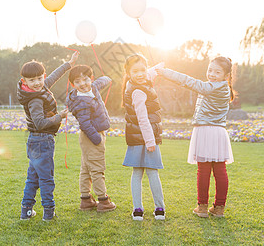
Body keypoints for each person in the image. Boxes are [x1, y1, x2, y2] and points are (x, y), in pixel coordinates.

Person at [155, 56, 234, 218]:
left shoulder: (212, 87)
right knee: (220, 170)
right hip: (219, 132)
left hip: (206, 131)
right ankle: (218, 208)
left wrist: (165, 73)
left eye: (217, 72)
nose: (212, 74)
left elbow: (189, 81)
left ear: (226, 75)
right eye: (210, 70)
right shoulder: (224, 88)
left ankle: (203, 207)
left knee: (204, 170)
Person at [17, 51, 79, 221]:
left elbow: (54, 75)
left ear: (42, 76)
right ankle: (49, 213)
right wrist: (60, 117)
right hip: (42, 140)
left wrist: (69, 63)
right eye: (32, 80)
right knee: (46, 178)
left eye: (39, 78)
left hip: (35, 141)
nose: (37, 83)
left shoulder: (40, 87)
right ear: (24, 81)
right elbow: (40, 123)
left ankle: (26, 212)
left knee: (33, 177)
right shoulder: (35, 99)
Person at [66, 65, 116, 213]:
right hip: (91, 136)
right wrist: (96, 139)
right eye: (78, 81)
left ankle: (86, 200)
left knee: (86, 168)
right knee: (97, 169)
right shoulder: (81, 101)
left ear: (90, 79)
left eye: (86, 79)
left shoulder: (92, 88)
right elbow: (85, 123)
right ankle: (103, 200)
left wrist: (108, 78)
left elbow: (100, 82)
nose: (83, 84)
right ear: (72, 84)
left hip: (92, 135)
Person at [122, 54, 166, 221]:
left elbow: (152, 72)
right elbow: (142, 118)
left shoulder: (138, 82)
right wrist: (150, 141)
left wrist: (160, 64)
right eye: (135, 71)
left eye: (142, 70)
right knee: (147, 173)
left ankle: (145, 209)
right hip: (144, 138)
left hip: (138, 138)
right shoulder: (138, 91)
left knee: (142, 173)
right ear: (128, 72)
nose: (140, 74)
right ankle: (151, 208)